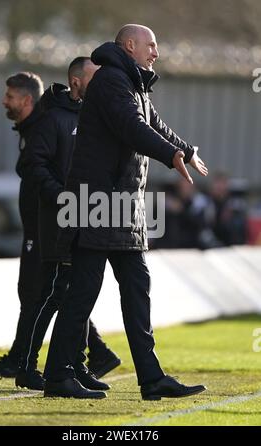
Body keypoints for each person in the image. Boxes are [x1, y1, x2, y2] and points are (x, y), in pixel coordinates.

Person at [43, 24, 208, 400]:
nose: (156, 53)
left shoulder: (130, 83)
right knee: (84, 291)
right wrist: (171, 156)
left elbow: (152, 123)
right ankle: (59, 375)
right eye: (151, 45)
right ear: (130, 45)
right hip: (97, 203)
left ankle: (150, 379)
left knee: (135, 288)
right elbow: (132, 127)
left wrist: (185, 147)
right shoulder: (112, 82)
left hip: (120, 207)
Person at [14, 57, 120, 391]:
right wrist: (60, 195)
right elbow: (33, 164)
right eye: (94, 77)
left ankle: (76, 364)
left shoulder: (96, 117)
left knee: (76, 293)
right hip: (60, 219)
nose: (101, 83)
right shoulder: (53, 118)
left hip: (89, 216)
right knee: (55, 292)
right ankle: (27, 366)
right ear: (76, 81)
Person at [0, 72, 45, 378]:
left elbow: (47, 175)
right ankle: (95, 353)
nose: (4, 101)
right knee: (51, 292)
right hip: (42, 223)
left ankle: (21, 360)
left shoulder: (42, 129)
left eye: (10, 97)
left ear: (27, 100)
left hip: (47, 225)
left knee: (37, 291)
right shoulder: (33, 127)